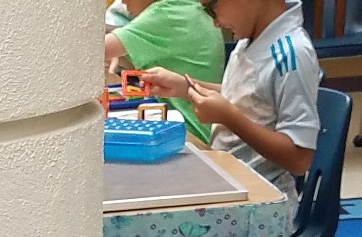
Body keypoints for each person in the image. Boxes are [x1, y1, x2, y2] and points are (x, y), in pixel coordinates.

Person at [141, 0, 320, 204]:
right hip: (231, 183)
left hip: (263, 202)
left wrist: (228, 117)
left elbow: (299, 159)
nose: (215, 23)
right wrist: (186, 87)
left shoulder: (291, 54)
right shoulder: (250, 38)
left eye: (211, 8)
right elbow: (248, 100)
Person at [103, 0, 226, 143]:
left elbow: (92, 50)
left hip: (187, 136)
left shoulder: (168, 13)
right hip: (190, 130)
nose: (122, 1)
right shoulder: (187, 9)